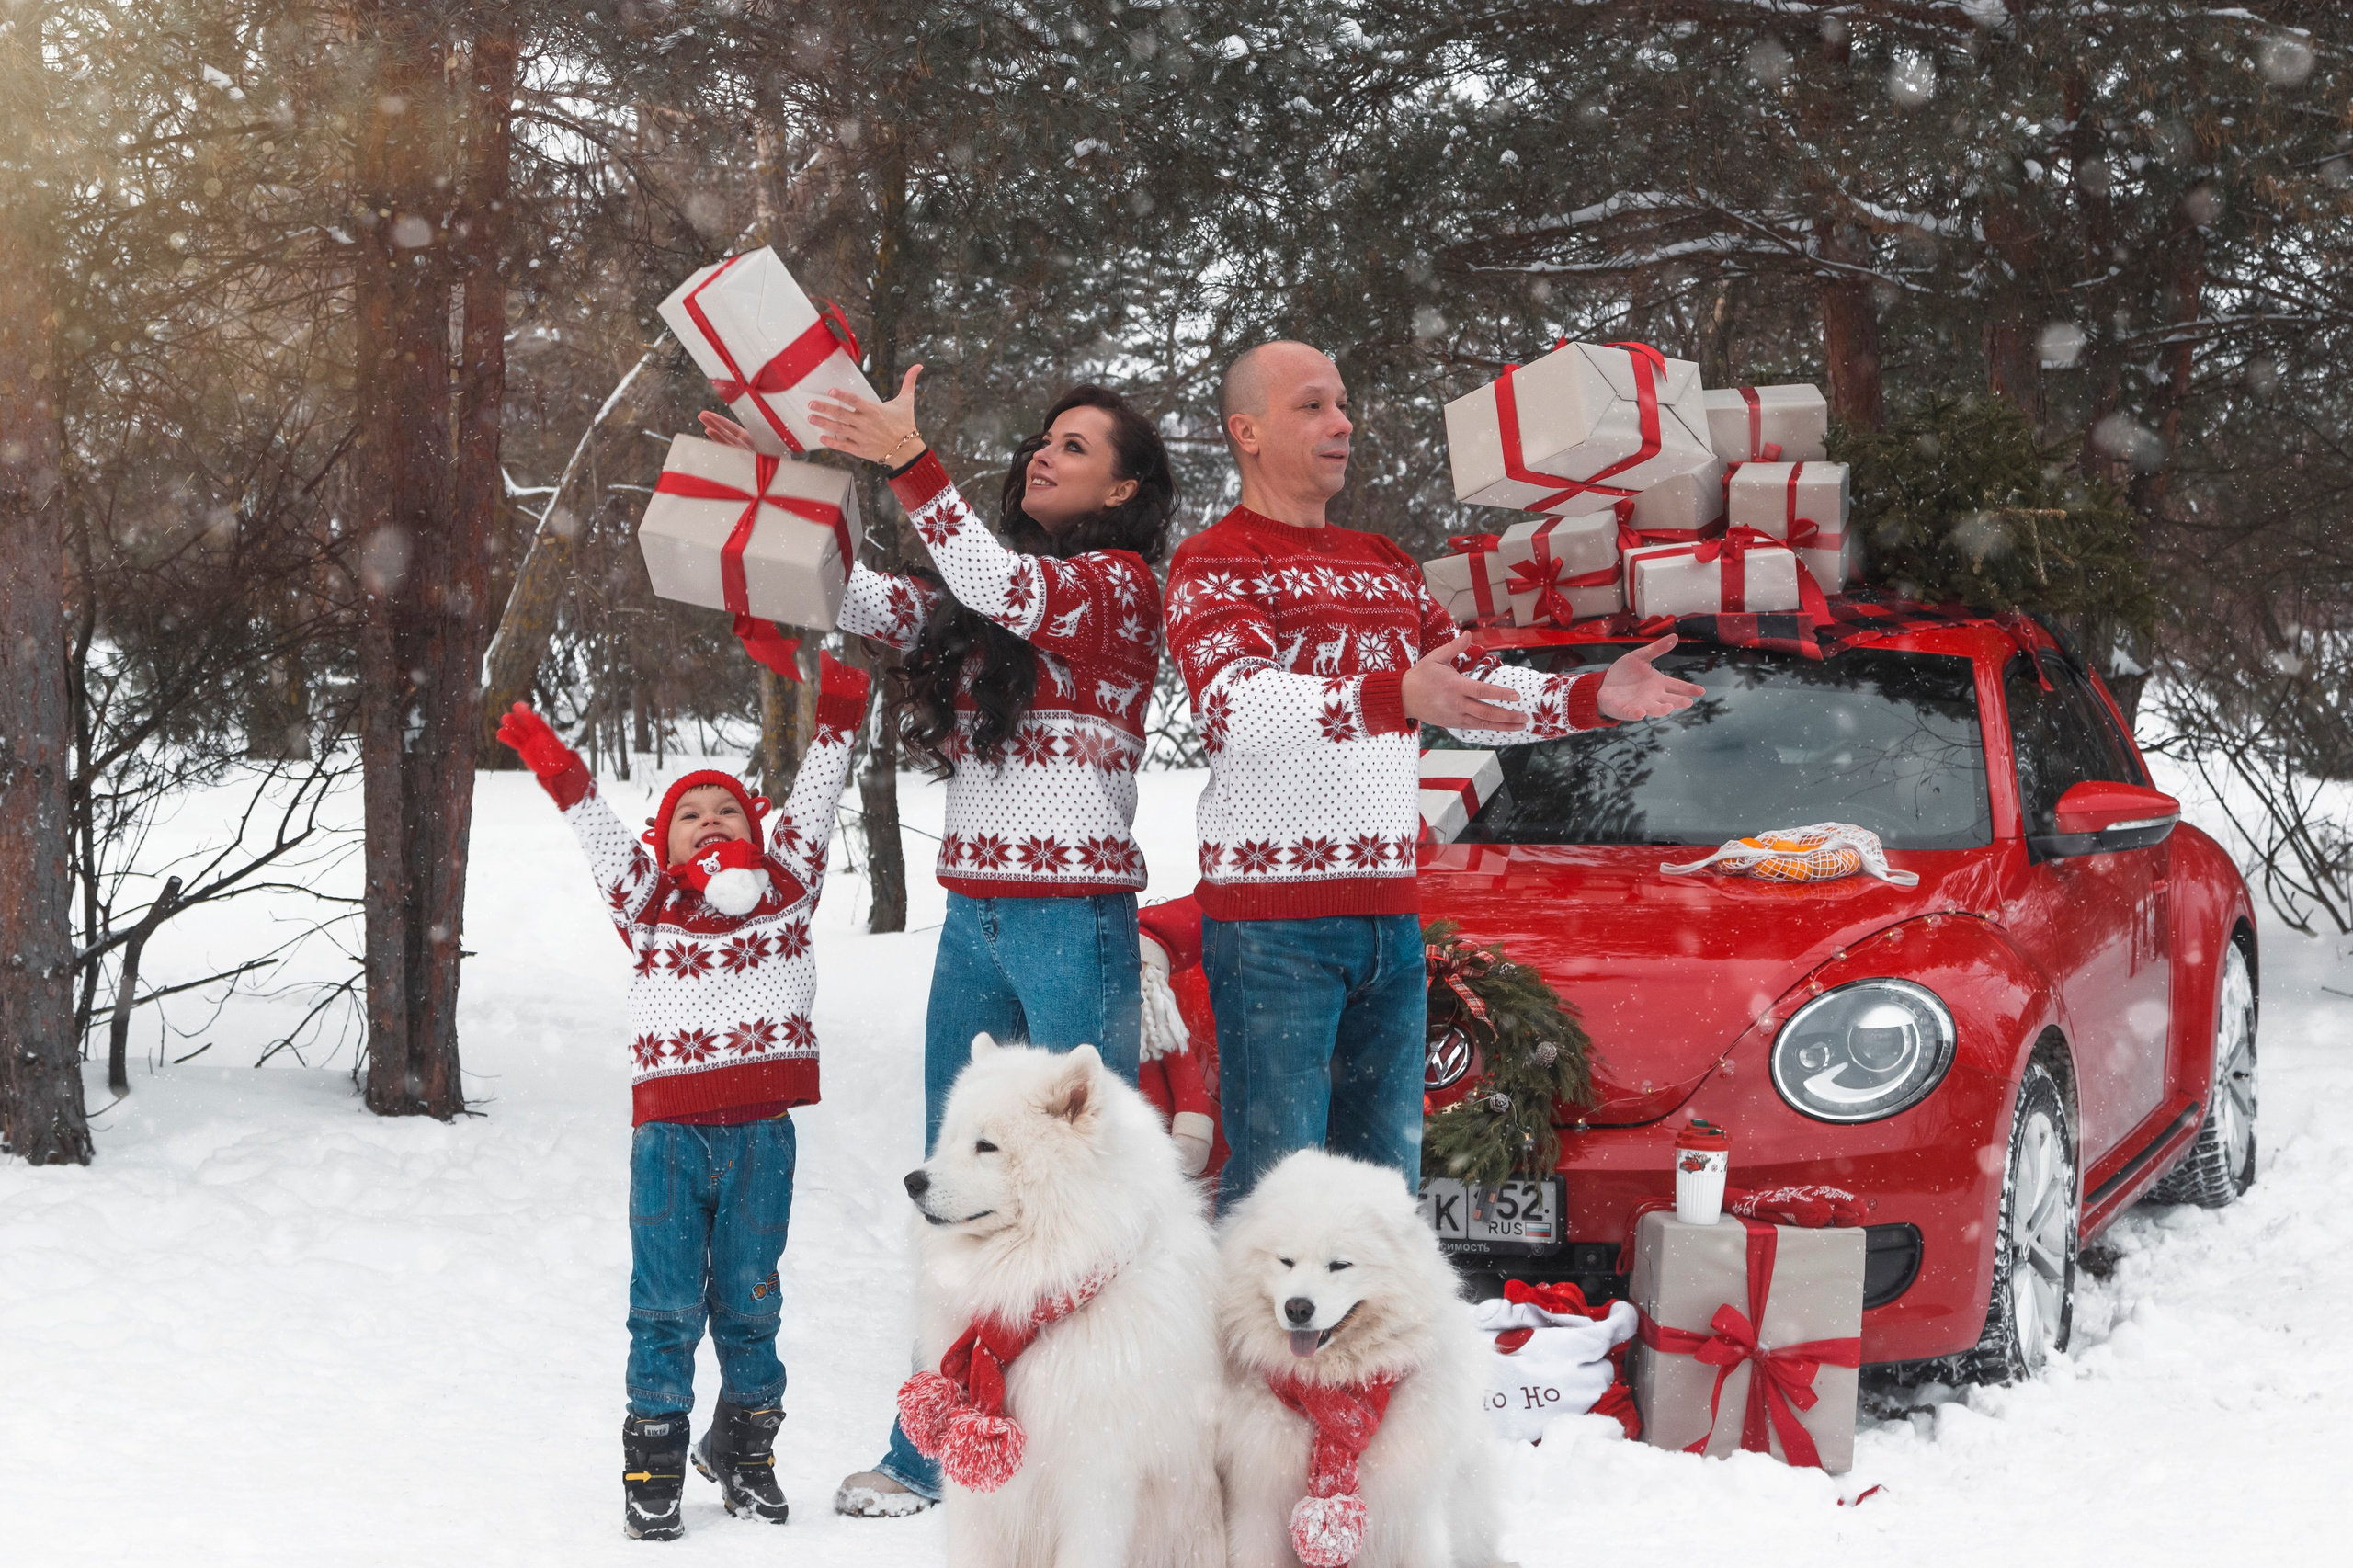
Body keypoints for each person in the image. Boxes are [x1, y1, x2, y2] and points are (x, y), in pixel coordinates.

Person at [700, 369, 1179, 1517]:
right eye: (1040, 440)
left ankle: (1100, 1437)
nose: (1041, 456)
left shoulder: (1116, 590)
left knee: (1092, 1200)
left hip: (1074, 926)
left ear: (1123, 487)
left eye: (1074, 446)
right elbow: (851, 594)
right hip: (975, 923)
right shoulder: (983, 603)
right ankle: (931, 1447)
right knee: (953, 1192)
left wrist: (909, 456)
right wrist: (770, 480)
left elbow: (1000, 575)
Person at [1162, 340, 1705, 1206]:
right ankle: (1259, 1347)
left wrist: (1590, 696)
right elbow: (1237, 707)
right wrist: (1394, 693)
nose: (1342, 423)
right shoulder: (1216, 560)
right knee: (1277, 1199)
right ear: (1248, 431)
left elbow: (1466, 688)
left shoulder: (1383, 562)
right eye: (1312, 406)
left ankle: (1374, 1347)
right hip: (1274, 936)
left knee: (1383, 1197)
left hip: (1391, 921)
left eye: (1342, 404)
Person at [494, 652, 871, 1540]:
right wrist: (564, 772)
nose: (709, 823)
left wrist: (838, 725)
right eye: (688, 816)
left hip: (762, 1139)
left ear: (755, 825)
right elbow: (599, 834)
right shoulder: (651, 903)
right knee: (664, 1307)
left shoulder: (787, 888)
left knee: (752, 1301)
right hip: (670, 1141)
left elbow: (813, 807)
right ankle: (653, 1466)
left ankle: (745, 1450)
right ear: (664, 844)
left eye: (726, 808)